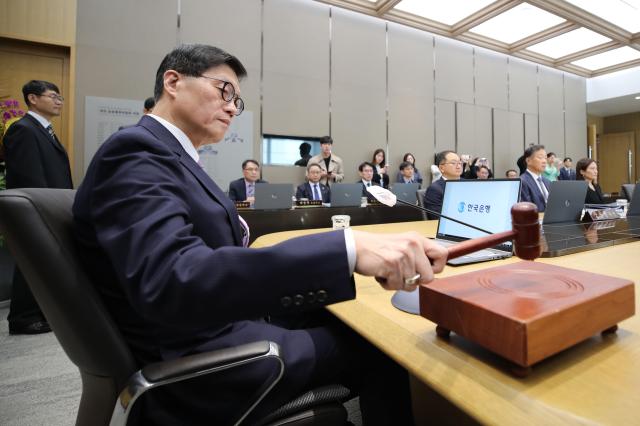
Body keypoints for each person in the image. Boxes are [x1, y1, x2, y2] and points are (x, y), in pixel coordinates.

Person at [72, 44, 448, 425]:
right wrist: (348, 247)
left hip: (221, 323)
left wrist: (339, 254)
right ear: (173, 81)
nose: (234, 108)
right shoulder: (136, 151)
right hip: (204, 356)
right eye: (225, 91)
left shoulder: (171, 156)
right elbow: (175, 279)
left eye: (238, 100)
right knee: (387, 346)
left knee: (352, 319)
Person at [3, 80, 72, 335]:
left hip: (47, 207)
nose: (59, 101)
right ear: (32, 99)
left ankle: (39, 313)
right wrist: (41, 209)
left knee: (41, 262)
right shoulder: (23, 129)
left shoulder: (44, 130)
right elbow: (28, 176)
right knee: (30, 263)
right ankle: (22, 318)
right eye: (53, 96)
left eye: (60, 97)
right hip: (35, 209)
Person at [424, 150, 462, 219]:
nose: (458, 166)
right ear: (441, 168)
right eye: (453, 163)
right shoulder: (435, 189)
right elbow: (437, 217)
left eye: (460, 163)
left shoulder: (468, 184)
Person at [519, 144, 551, 212]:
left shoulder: (547, 182)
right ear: (528, 161)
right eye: (540, 157)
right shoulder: (522, 182)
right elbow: (527, 209)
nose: (544, 161)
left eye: (545, 158)